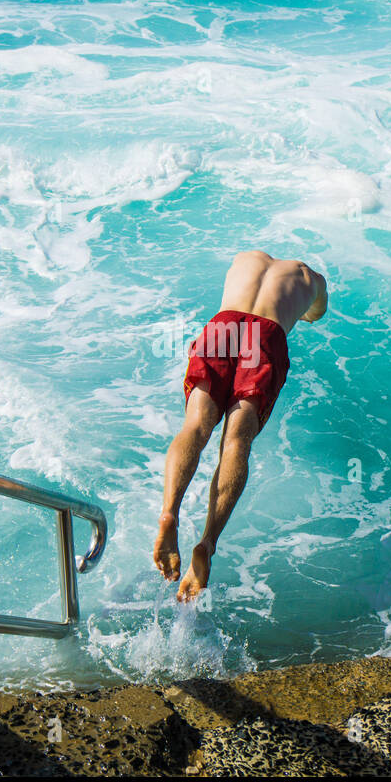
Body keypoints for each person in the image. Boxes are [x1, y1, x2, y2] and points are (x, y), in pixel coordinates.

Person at [153, 250, 328, 601]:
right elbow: (315, 314)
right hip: (266, 337)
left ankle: (169, 515)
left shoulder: (244, 258)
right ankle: (207, 543)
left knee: (196, 426)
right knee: (236, 442)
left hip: (224, 325)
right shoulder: (313, 280)